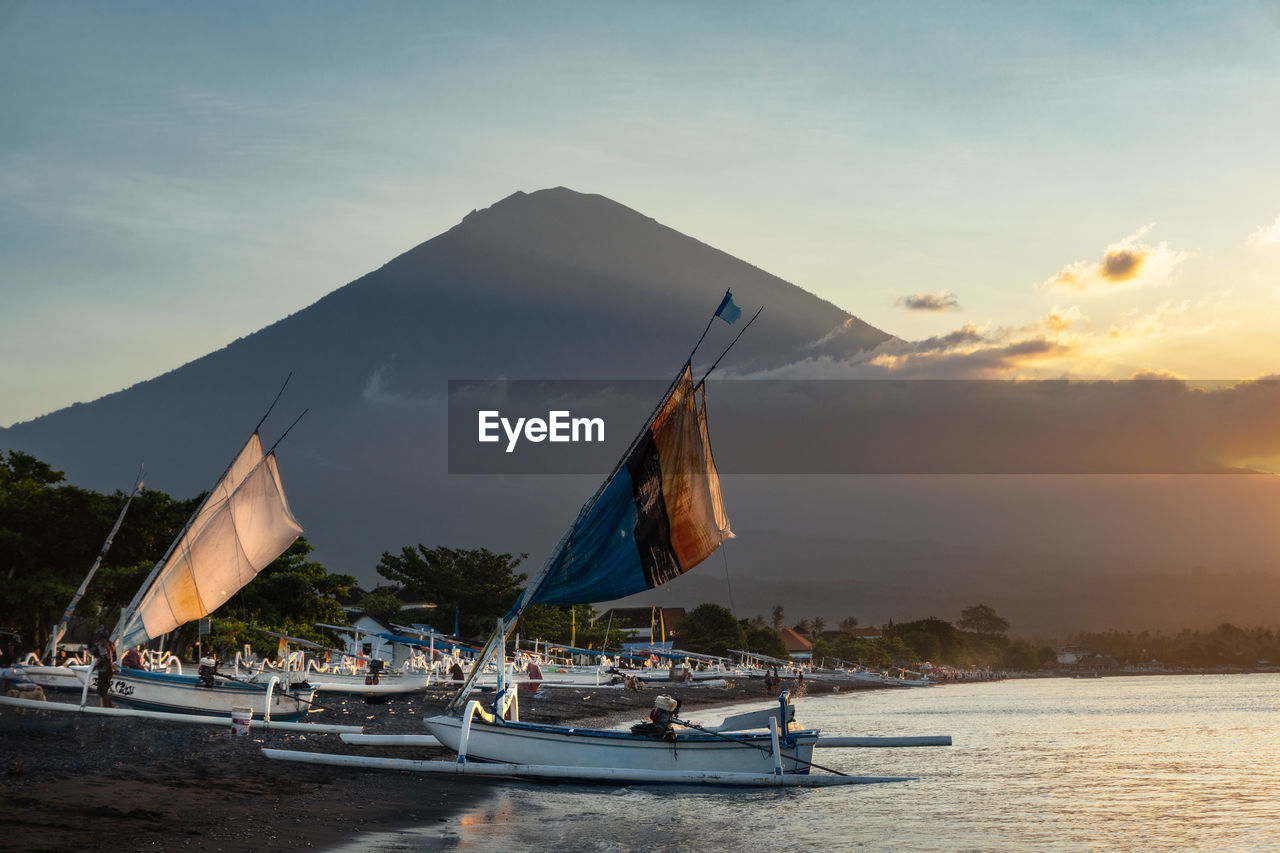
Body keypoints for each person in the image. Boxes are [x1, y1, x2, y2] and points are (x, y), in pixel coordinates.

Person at [91, 625, 117, 708]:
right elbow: (115, 657)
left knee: (102, 691)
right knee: (104, 690)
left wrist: (95, 666)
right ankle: (105, 706)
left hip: (104, 670)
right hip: (110, 670)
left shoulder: (102, 643)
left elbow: (104, 657)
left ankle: (107, 707)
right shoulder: (111, 644)